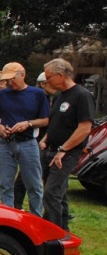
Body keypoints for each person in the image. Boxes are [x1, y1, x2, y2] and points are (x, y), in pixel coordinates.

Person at [0, 62, 50, 217]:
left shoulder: (37, 94)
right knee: (5, 184)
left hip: (27, 143)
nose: (9, 83)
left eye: (12, 79)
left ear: (22, 74)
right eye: (6, 80)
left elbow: (45, 120)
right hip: (5, 143)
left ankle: (37, 218)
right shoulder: (2, 94)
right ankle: (8, 217)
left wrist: (28, 124)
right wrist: (0, 128)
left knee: (34, 184)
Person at [39, 59, 95, 230]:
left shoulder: (82, 96)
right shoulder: (59, 96)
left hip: (67, 153)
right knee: (59, 195)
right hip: (50, 150)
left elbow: (84, 128)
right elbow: (56, 122)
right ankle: (63, 232)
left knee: (51, 193)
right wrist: (45, 138)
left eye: (49, 77)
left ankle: (52, 233)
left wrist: (64, 149)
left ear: (61, 75)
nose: (46, 81)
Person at [14, 72, 55, 208]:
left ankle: (58, 210)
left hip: (49, 141)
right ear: (43, 83)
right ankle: (17, 205)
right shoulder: (34, 97)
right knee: (27, 176)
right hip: (34, 139)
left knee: (49, 178)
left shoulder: (56, 98)